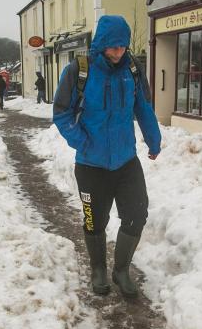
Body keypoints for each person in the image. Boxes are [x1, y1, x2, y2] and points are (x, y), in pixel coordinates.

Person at [52, 15, 161, 298]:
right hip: (91, 165)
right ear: (101, 45)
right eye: (112, 47)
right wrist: (82, 142)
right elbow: (62, 113)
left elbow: (144, 107)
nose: (118, 52)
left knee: (137, 214)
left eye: (122, 46)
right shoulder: (79, 70)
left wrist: (153, 139)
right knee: (94, 220)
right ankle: (98, 269)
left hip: (126, 161)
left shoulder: (133, 70)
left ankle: (121, 270)